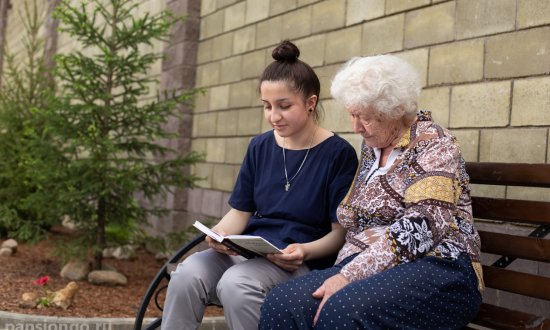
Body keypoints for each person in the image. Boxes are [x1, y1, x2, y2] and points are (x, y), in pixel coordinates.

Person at [259, 54, 484, 330]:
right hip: (372, 266)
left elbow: (422, 227)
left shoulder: (434, 144)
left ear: (394, 110)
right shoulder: (372, 147)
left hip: (439, 267)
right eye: (352, 115)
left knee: (342, 312)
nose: (355, 126)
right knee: (282, 302)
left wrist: (349, 274)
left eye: (363, 117)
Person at [161, 40, 358, 330]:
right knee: (188, 273)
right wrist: (220, 234)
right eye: (267, 106)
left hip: (299, 262)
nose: (273, 116)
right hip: (251, 252)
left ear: (311, 102)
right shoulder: (260, 146)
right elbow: (240, 212)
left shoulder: (337, 154)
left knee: (237, 284)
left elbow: (339, 234)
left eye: (284, 106)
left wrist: (303, 251)